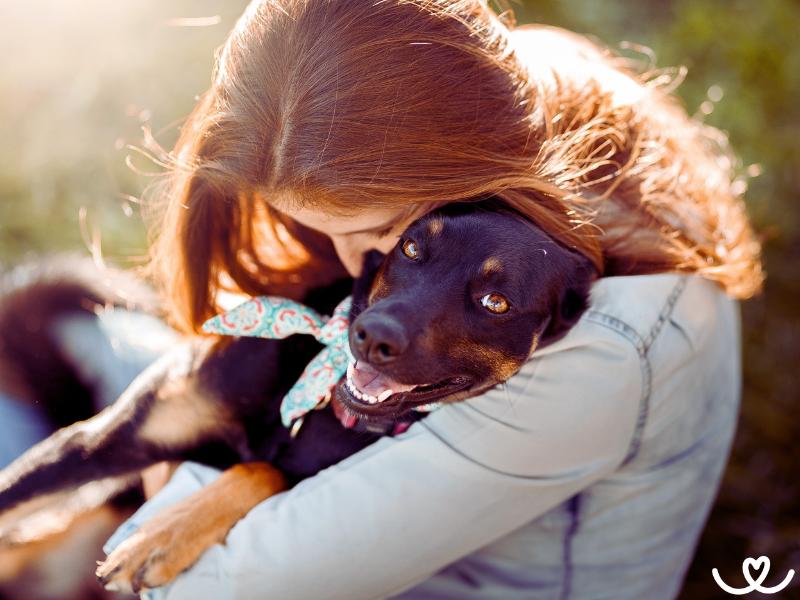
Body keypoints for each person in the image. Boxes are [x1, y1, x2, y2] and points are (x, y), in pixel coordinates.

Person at [102, 0, 763, 598]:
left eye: (385, 232)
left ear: (466, 169)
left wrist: (171, 456)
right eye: (318, 229)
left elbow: (207, 588)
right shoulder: (510, 97)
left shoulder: (587, 353)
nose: (352, 267)